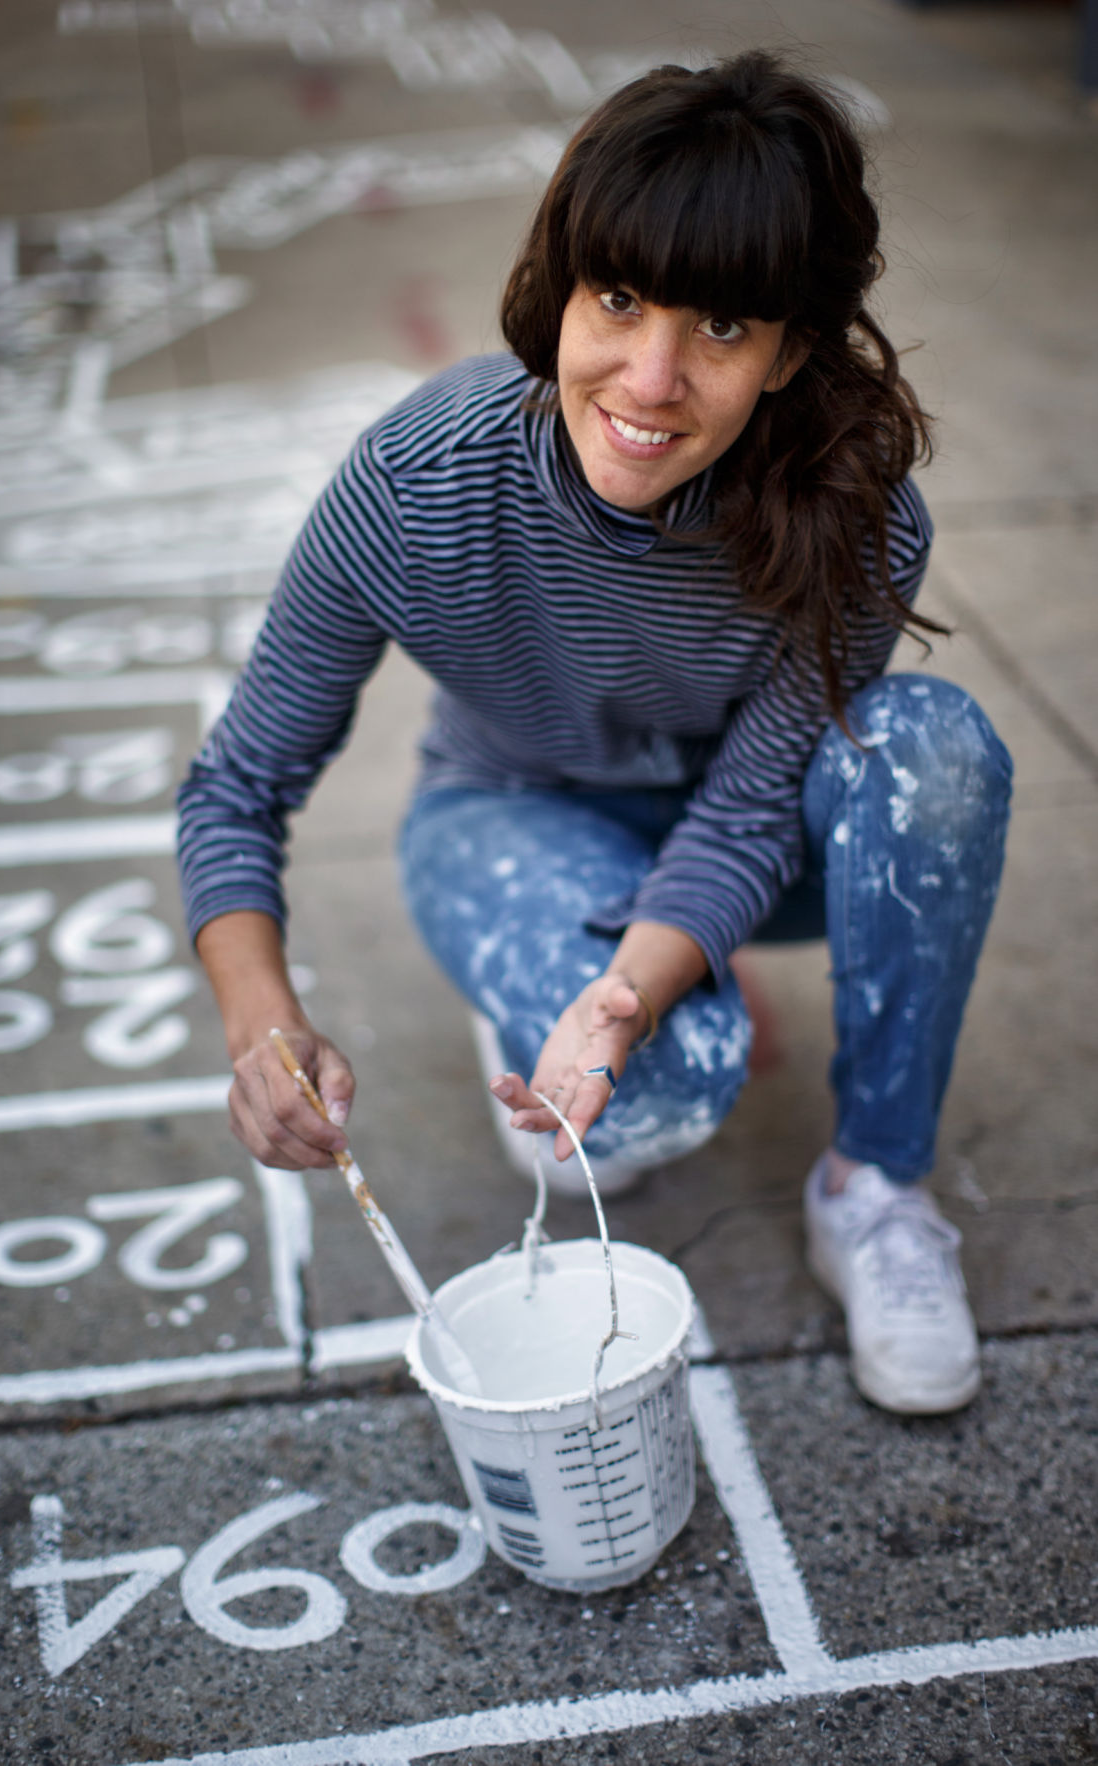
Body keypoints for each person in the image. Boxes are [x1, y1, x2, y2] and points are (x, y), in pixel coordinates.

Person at [177, 52, 1012, 1417]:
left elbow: (750, 812)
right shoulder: (416, 477)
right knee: (657, 1094)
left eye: (723, 329)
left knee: (929, 747)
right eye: (617, 299)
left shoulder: (854, 516)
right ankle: (545, 957)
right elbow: (237, 784)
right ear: (561, 282)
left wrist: (625, 986)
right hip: (510, 810)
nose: (651, 376)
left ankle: (875, 1187)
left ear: (792, 350)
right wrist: (258, 1024)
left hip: (750, 839)